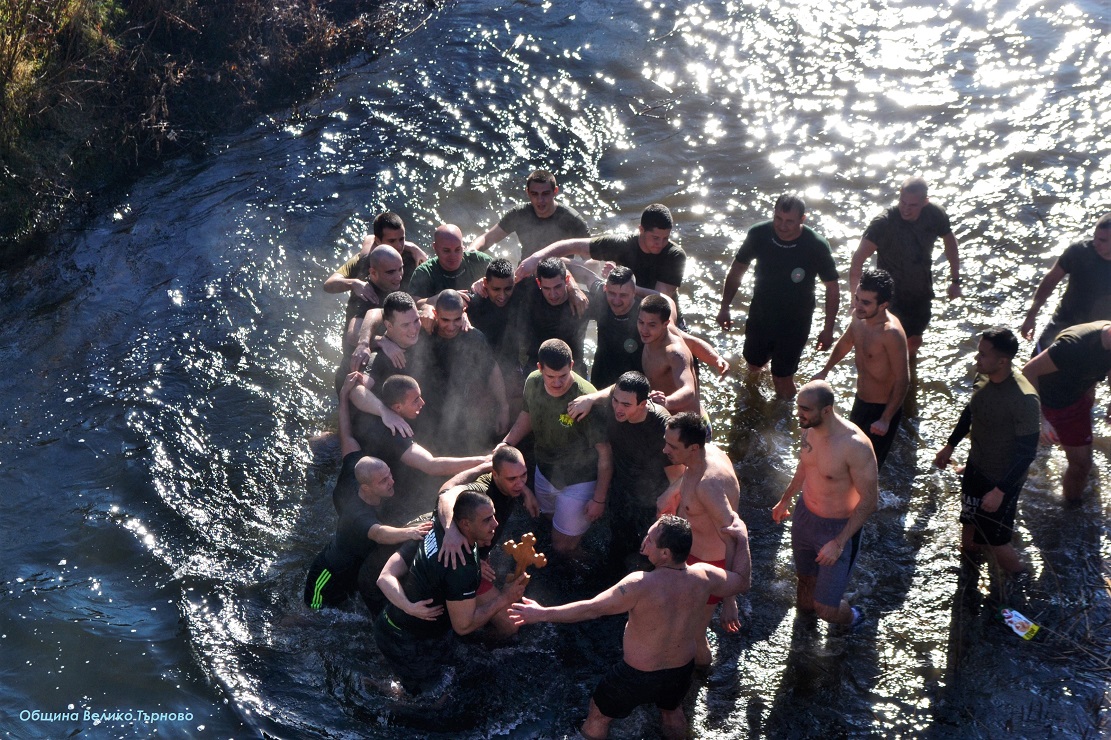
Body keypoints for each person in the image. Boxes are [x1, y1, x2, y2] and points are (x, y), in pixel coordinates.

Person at [507, 515, 751, 740]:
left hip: (636, 676)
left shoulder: (639, 585)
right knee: (671, 711)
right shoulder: (705, 576)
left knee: (599, 714)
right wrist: (742, 538)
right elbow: (742, 581)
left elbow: (592, 609)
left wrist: (540, 614)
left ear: (665, 553)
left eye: (651, 539)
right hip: (680, 671)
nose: (645, 541)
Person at [373, 490, 527, 695]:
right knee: (433, 700)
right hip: (406, 640)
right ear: (465, 524)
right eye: (487, 520)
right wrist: (505, 598)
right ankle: (375, 693)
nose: (496, 524)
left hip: (392, 624)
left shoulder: (436, 525)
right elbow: (463, 626)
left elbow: (447, 493)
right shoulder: (460, 567)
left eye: (494, 516)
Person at [305, 373, 433, 611]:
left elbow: (347, 436)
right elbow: (380, 534)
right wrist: (411, 532)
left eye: (389, 475)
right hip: (327, 576)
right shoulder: (357, 514)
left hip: (354, 567)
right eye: (384, 481)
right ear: (366, 487)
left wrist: (344, 398)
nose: (391, 482)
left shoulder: (355, 465)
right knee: (312, 614)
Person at [772, 381, 878, 627]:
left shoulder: (855, 446)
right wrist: (785, 499)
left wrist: (839, 542)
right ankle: (803, 635)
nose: (799, 414)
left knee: (826, 609)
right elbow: (804, 467)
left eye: (806, 409)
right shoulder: (807, 428)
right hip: (805, 517)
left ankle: (854, 618)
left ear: (827, 410)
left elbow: (870, 501)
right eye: (799, 407)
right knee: (805, 589)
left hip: (837, 530)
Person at [934, 329, 1039, 573]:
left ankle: (1018, 590)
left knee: (997, 542)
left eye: (982, 354)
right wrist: (950, 445)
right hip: (975, 469)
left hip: (1001, 481)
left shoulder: (1024, 399)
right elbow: (971, 410)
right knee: (969, 530)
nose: (976, 359)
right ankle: (969, 579)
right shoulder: (983, 377)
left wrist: (1000, 491)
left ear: (1002, 361)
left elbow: (1027, 453)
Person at [716, 194, 840, 399]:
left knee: (782, 379)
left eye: (789, 221)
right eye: (778, 219)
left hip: (795, 322)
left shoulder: (816, 245)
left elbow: (832, 287)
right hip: (761, 315)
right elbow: (738, 268)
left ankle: (786, 422)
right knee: (753, 367)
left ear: (803, 219)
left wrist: (828, 329)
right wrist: (724, 307)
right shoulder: (759, 234)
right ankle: (753, 409)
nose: (782, 226)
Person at [501, 339, 612, 557]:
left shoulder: (584, 397)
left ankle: (583, 561)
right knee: (548, 521)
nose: (557, 383)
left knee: (563, 547)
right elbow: (527, 416)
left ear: (571, 365)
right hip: (545, 470)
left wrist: (599, 499)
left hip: (579, 479)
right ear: (539, 368)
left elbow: (605, 454)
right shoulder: (533, 382)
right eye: (550, 376)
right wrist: (506, 444)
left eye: (563, 376)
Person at [656, 413, 746, 664]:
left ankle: (701, 678)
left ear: (693, 447)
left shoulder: (709, 486)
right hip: (689, 554)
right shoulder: (707, 453)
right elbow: (689, 474)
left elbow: (733, 537)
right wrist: (671, 491)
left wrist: (730, 598)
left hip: (710, 567)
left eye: (672, 446)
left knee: (695, 634)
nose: (665, 450)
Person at [849, 177, 962, 358]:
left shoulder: (935, 215)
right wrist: (856, 301)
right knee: (885, 344)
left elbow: (950, 242)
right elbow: (857, 261)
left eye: (913, 205)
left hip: (920, 291)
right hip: (888, 296)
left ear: (925, 202)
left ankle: (908, 376)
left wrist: (955, 280)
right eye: (903, 202)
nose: (906, 209)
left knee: (914, 341)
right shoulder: (883, 223)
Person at [350, 374, 489, 512]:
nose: (422, 402)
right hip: (388, 482)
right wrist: (484, 461)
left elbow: (357, 388)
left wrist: (383, 411)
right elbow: (431, 465)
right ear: (397, 407)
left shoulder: (388, 394)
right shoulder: (394, 434)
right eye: (416, 400)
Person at [813, 268, 909, 469]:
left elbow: (903, 379)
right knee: (847, 458)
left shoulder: (891, 333)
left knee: (867, 467)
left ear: (883, 305)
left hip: (881, 408)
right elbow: (846, 342)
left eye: (865, 302)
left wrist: (885, 419)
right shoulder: (859, 316)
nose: (857, 305)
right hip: (861, 401)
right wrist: (825, 370)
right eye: (857, 298)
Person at [515, 203, 686, 298]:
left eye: (665, 238)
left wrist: (622, 283)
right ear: (641, 230)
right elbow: (570, 245)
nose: (661, 243)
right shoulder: (622, 244)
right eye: (655, 238)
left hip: (663, 316)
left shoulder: (674, 255)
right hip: (624, 300)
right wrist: (535, 258)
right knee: (559, 263)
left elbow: (660, 298)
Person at [1022, 320, 1111, 503]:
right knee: (1011, 451)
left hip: (1077, 399)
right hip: (1047, 401)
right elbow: (1029, 371)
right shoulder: (1074, 345)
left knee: (1081, 467)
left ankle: (1070, 510)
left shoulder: (1107, 340)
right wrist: (1041, 419)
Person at [602, 372, 683, 572]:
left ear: (643, 404)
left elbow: (682, 476)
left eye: (626, 405)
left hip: (652, 499)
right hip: (622, 489)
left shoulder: (662, 428)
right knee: (617, 548)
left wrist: (666, 504)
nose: (618, 409)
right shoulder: (614, 406)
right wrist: (587, 400)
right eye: (615, 401)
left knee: (648, 559)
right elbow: (607, 394)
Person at [424, 289, 511, 449]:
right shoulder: (425, 332)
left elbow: (491, 369)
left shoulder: (473, 337)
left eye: (456, 319)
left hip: (466, 414)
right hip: (429, 415)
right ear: (435, 313)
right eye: (445, 320)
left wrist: (503, 407)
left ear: (463, 312)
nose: (451, 326)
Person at [1021, 213, 1111, 351]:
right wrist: (1031, 316)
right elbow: (1050, 280)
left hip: (1098, 338)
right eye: (1095, 237)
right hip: (1062, 325)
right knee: (1032, 370)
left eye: (1102, 240)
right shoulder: (1079, 252)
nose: (1095, 243)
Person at [469, 169, 591, 260]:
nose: (540, 200)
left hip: (559, 279)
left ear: (555, 191)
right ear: (527, 192)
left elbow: (591, 260)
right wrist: (470, 251)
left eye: (545, 194)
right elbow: (487, 238)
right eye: (535, 194)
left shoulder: (572, 220)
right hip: (527, 273)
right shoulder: (519, 214)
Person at [324, 244, 406, 352]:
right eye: (390, 272)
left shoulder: (387, 281)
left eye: (400, 269)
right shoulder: (366, 296)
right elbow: (353, 335)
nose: (399, 276)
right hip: (357, 356)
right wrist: (383, 341)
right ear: (373, 273)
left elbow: (370, 238)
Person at [520, 257, 591, 368]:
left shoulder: (581, 301)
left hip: (572, 365)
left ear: (566, 280)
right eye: (547, 288)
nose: (553, 295)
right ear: (539, 283)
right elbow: (536, 259)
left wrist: (574, 288)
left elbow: (613, 301)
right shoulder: (530, 293)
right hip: (537, 363)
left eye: (558, 287)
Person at [637, 294, 701, 415]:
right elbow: (667, 299)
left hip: (689, 426)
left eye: (652, 325)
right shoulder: (651, 336)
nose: (644, 330)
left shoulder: (674, 353)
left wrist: (666, 402)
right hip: (665, 417)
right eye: (641, 322)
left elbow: (689, 390)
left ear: (665, 324)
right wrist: (635, 289)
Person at [408, 224, 494, 305]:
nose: (453, 256)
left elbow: (506, 275)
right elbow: (413, 304)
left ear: (463, 247)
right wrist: (445, 297)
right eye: (446, 250)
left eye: (458, 249)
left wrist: (487, 281)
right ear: (435, 248)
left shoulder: (479, 261)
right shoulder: (425, 272)